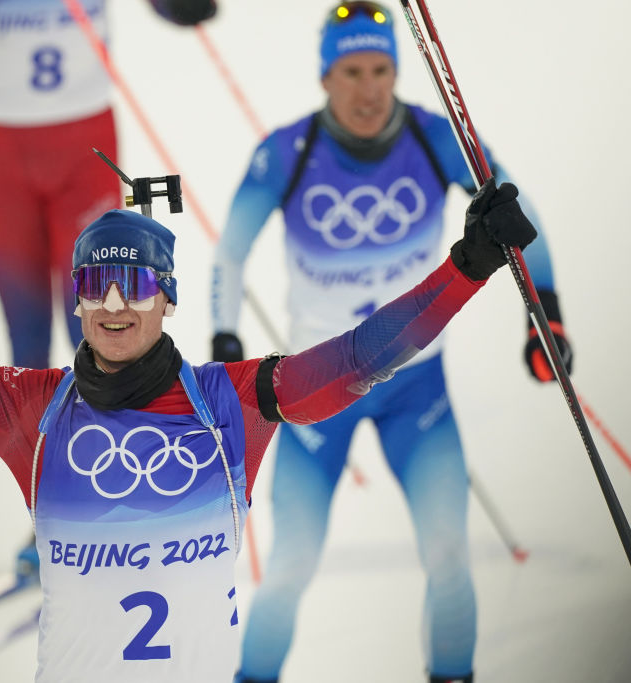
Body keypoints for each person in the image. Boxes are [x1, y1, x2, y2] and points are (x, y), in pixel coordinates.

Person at [0, 167, 535, 681]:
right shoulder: (28, 410)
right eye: (95, 285)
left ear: (165, 296)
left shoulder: (232, 400)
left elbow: (359, 357)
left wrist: (467, 266)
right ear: (76, 298)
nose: (115, 304)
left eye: (135, 284)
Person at [209, 3, 572, 683]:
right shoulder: (288, 151)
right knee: (289, 564)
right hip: (318, 388)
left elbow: (522, 215)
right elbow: (230, 254)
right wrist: (227, 340)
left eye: (381, 69)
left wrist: (544, 315)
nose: (369, 89)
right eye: (351, 71)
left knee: (448, 556)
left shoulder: (436, 138)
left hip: (416, 387)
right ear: (325, 76)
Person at [0, 0, 217, 370]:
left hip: (84, 147)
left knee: (95, 318)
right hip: (0, 149)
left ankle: (109, 427)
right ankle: (40, 427)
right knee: (27, 334)